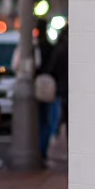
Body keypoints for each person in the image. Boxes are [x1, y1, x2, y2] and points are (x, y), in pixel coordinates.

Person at [35, 19, 58, 159]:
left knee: (40, 119)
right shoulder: (49, 47)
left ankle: (40, 149)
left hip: (37, 85)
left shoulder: (35, 47)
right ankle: (42, 150)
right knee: (47, 119)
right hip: (49, 84)